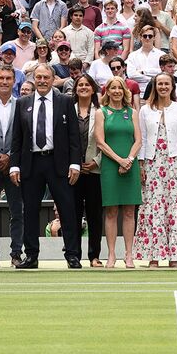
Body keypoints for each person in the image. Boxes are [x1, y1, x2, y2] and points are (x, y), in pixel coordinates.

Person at [9, 63, 83, 269]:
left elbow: (74, 137)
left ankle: (72, 255)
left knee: (68, 210)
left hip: (58, 163)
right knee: (30, 211)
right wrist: (14, 166)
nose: (42, 81)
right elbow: (17, 138)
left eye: (46, 78)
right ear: (33, 79)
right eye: (38, 77)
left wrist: (75, 163)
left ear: (52, 79)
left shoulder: (65, 101)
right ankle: (31, 255)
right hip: (31, 163)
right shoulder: (22, 103)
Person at [135, 72, 177, 267]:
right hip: (152, 163)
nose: (163, 87)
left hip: (174, 163)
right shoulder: (145, 111)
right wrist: (140, 164)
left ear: (172, 87)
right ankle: (154, 256)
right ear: (155, 86)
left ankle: (174, 256)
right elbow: (140, 139)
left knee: (173, 207)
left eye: (167, 84)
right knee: (152, 208)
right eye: (160, 84)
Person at [96, 75, 142, 267]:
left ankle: (129, 254)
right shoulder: (101, 112)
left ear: (125, 91)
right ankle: (112, 254)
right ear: (107, 91)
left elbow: (138, 140)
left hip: (130, 165)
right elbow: (100, 141)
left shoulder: (132, 112)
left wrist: (129, 160)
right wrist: (119, 161)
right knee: (111, 211)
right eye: (112, 88)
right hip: (110, 166)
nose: (116, 91)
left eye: (120, 88)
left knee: (130, 211)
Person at [0, 68, 24, 267]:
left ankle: (16, 253)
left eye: (9, 78)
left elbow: (25, 137)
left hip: (15, 166)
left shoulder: (23, 105)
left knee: (17, 211)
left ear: (14, 81)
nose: (5, 82)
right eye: (1, 78)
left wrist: (10, 157)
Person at [69, 73, 104, 267]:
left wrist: (96, 162)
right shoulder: (68, 110)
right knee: (72, 214)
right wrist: (73, 164)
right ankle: (74, 254)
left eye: (86, 85)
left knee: (94, 215)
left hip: (95, 171)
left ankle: (94, 255)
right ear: (75, 89)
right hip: (73, 172)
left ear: (93, 89)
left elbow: (106, 141)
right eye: (79, 85)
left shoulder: (101, 111)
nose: (83, 87)